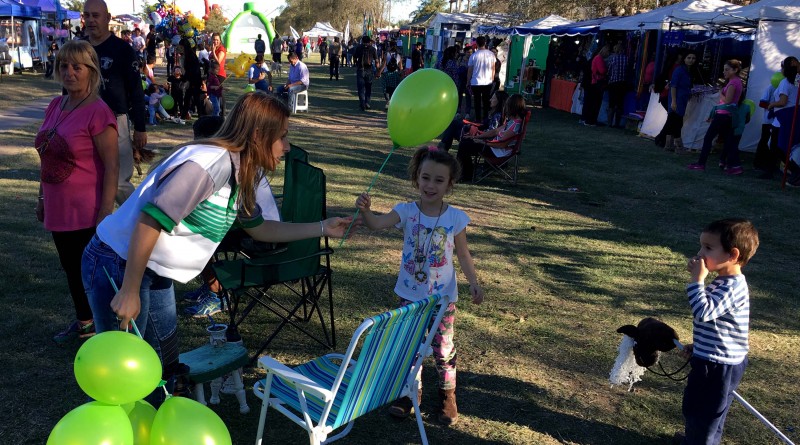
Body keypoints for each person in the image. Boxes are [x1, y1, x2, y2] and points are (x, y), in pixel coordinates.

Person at [82, 93, 353, 406]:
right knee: (123, 371)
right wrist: (129, 290)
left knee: (163, 365)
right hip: (119, 263)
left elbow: (259, 229)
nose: (287, 146)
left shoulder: (243, 169)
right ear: (257, 135)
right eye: (282, 137)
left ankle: (152, 419)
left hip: (151, 270)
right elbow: (149, 221)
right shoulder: (210, 165)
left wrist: (322, 227)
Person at [355, 146, 485, 426]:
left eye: (439, 180)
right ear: (416, 178)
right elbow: (376, 224)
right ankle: (408, 393)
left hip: (442, 300)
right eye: (426, 178)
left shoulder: (456, 218)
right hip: (410, 297)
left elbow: (463, 254)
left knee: (443, 349)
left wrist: (473, 282)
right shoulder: (405, 211)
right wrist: (365, 211)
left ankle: (448, 395)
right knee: (409, 347)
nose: (431, 185)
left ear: (450, 184)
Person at [35, 40, 119, 343]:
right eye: (64, 66)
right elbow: (47, 156)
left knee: (91, 273)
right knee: (70, 268)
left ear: (91, 71)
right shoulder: (56, 105)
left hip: (86, 209)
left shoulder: (98, 112)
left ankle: (107, 330)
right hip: (58, 206)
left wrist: (105, 212)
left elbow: (112, 166)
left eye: (77, 67)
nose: (69, 72)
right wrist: (41, 197)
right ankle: (85, 323)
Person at [677, 219, 759, 445]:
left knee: (705, 413)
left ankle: (699, 442)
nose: (700, 254)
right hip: (713, 357)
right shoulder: (722, 282)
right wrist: (699, 347)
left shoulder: (732, 287)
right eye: (701, 246)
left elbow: (703, 312)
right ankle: (696, 439)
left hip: (719, 365)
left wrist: (697, 280)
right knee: (701, 407)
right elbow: (716, 325)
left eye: (708, 248)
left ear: (733, 255)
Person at [83, 0, 147, 205]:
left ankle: (140, 219)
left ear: (108, 18)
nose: (91, 20)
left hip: (114, 121)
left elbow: (136, 90)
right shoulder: (79, 47)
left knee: (119, 182)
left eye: (96, 15)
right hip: (83, 121)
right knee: (88, 180)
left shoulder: (122, 49)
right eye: (87, 15)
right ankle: (98, 223)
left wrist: (140, 127)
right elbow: (66, 88)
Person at [688, 60, 744, 174]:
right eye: (724, 69)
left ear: (735, 70)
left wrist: (720, 93)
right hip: (729, 115)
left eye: (727, 70)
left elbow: (727, 101)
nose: (724, 72)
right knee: (729, 141)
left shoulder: (733, 83)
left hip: (724, 114)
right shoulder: (736, 81)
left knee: (709, 138)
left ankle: (701, 163)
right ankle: (734, 166)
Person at [456, 93, 525, 181]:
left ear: (512, 107)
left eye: (507, 106)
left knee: (464, 146)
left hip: (498, 152)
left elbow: (502, 144)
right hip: (493, 147)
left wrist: (484, 142)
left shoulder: (516, 125)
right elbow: (495, 131)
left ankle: (465, 175)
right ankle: (466, 173)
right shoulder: (512, 121)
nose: (506, 108)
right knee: (466, 142)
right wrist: (477, 137)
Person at [762, 56, 800, 180]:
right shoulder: (797, 81)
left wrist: (772, 104)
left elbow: (783, 102)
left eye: (782, 67)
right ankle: (773, 170)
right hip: (792, 117)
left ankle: (794, 170)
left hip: (783, 118)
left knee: (777, 146)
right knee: (779, 146)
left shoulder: (785, 82)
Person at [438, 90, 508, 152]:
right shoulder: (495, 114)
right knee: (455, 124)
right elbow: (484, 126)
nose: (490, 100)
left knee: (454, 126)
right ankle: (442, 150)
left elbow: (490, 133)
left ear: (499, 101)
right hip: (478, 136)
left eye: (493, 98)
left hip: (480, 140)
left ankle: (442, 150)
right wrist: (472, 126)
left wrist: (475, 132)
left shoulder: (498, 116)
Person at [661, 50, 698, 153]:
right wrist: (673, 101)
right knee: (677, 122)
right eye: (689, 58)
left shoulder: (688, 71)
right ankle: (678, 146)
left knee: (673, 121)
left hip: (682, 99)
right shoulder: (679, 70)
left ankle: (668, 145)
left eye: (693, 58)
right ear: (684, 59)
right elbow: (673, 86)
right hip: (676, 99)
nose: (691, 60)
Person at [467, 36, 496, 123]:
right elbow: (493, 68)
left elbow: (470, 70)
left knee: (477, 101)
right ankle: (486, 118)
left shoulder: (473, 56)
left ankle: (478, 119)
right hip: (487, 81)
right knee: (486, 101)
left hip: (476, 82)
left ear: (476, 44)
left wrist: (468, 81)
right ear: (485, 43)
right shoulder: (491, 54)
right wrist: (492, 78)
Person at [582, 45, 609, 127]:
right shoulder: (599, 58)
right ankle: (591, 120)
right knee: (595, 103)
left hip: (595, 82)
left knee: (593, 102)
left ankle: (590, 120)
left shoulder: (596, 58)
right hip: (598, 82)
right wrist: (606, 69)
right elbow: (602, 70)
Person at [605, 43, 628, 129]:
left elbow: (609, 71)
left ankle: (609, 123)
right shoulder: (626, 58)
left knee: (611, 103)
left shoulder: (613, 58)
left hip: (613, 83)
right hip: (622, 84)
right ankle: (617, 123)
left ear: (616, 50)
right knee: (619, 104)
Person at [354, 35, 378, 111]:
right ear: (369, 41)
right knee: (368, 88)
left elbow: (355, 57)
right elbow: (376, 60)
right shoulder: (373, 49)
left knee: (361, 88)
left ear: (362, 41)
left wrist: (356, 64)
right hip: (369, 70)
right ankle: (367, 102)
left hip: (360, 69)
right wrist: (377, 70)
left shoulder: (359, 48)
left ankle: (362, 103)